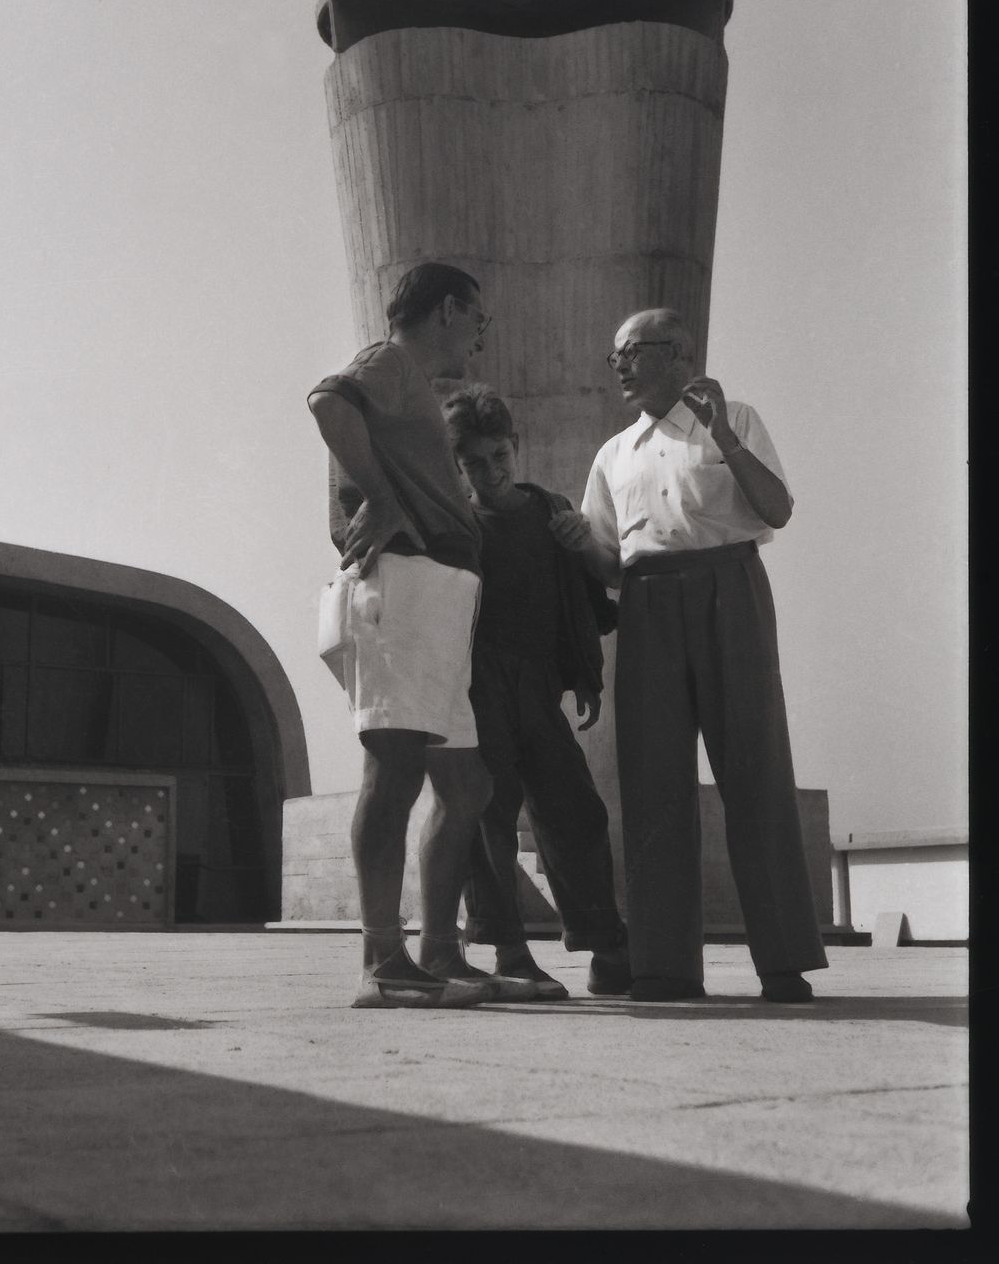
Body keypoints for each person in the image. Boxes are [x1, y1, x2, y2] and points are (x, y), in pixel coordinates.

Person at [552, 307, 827, 1003]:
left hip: (730, 590)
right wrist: (574, 540)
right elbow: (612, 562)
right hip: (646, 603)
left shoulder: (736, 417)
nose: (617, 365)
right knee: (651, 783)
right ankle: (664, 965)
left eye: (632, 351)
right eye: (614, 354)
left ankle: (783, 962)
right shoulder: (614, 454)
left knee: (756, 770)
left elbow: (776, 509)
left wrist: (726, 436)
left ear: (678, 354)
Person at [309, 262, 547, 1009]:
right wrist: (381, 498)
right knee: (396, 768)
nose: (479, 336)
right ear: (446, 309)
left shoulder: (413, 386)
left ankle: (441, 952)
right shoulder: (391, 361)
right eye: (476, 320)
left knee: (466, 781)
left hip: (440, 595)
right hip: (404, 586)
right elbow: (326, 401)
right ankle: (383, 958)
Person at [442, 385, 631, 999]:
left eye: (500, 456)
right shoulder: (454, 523)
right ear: (458, 464)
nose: (491, 472)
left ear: (515, 448)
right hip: (476, 688)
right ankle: (509, 951)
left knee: (575, 809)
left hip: (539, 685)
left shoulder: (551, 512)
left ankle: (605, 946)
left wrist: (586, 677)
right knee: (488, 817)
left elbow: (578, 605)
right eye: (475, 462)